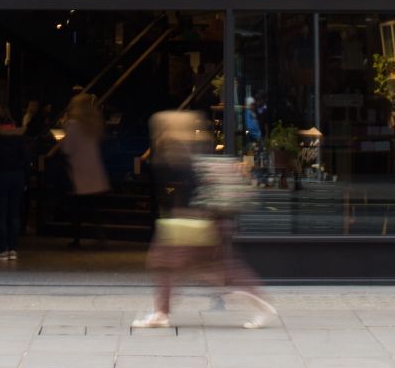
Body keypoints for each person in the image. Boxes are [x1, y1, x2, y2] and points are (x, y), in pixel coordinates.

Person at [133, 110, 276, 330]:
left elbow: (188, 191)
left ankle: (162, 312)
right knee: (213, 268)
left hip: (193, 224)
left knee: (166, 263)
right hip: (202, 223)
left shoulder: (177, 153)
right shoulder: (194, 147)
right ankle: (162, 312)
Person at [58, 93, 110, 247]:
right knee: (94, 208)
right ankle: (100, 236)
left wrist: (62, 131)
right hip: (94, 171)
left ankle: (77, 238)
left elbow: (67, 148)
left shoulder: (73, 124)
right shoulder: (93, 123)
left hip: (79, 171)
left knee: (77, 209)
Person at [0, 105, 29, 261]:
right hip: (18, 175)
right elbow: (26, 158)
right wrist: (26, 179)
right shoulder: (19, 135)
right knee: (14, 213)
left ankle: (3, 248)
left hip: (0, 175)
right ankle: (13, 249)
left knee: (1, 214)